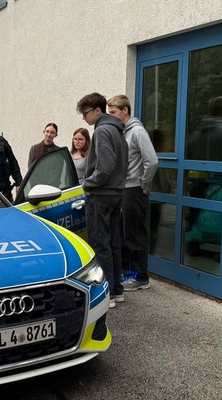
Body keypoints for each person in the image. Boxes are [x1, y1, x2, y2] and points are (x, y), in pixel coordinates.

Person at [77, 92, 128, 308]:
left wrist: (88, 184)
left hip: (101, 195)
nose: (84, 118)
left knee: (100, 244)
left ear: (98, 111)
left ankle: (106, 294)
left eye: (85, 113)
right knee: (114, 243)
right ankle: (117, 290)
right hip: (116, 194)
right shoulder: (117, 131)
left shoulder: (102, 131)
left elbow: (105, 166)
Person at [107, 95, 159, 291]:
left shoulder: (137, 131)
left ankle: (141, 277)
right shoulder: (122, 132)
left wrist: (144, 183)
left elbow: (152, 161)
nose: (110, 116)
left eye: (113, 112)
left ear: (125, 111)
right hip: (122, 190)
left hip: (134, 190)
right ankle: (128, 274)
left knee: (134, 235)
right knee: (123, 234)